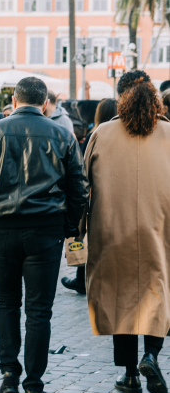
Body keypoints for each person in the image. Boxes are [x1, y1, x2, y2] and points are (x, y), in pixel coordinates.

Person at [0, 76, 87, 393]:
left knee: (7, 302)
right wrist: (69, 225)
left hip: (1, 227)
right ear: (45, 103)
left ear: (14, 101)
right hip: (45, 229)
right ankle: (34, 386)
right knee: (38, 310)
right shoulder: (61, 133)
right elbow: (79, 188)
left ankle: (8, 374)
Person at [83, 73, 170, 393]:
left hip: (111, 230)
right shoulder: (169, 134)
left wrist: (77, 232)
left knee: (121, 299)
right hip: (159, 230)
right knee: (156, 292)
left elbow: (83, 184)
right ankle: (151, 356)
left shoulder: (102, 133)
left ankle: (130, 374)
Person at [61, 98, 117, 295]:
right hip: (114, 196)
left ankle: (81, 277)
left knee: (80, 235)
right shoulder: (122, 136)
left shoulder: (95, 135)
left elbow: (82, 168)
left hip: (94, 196)